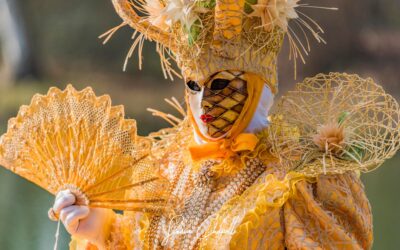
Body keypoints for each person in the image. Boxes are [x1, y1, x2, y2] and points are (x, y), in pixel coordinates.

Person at [52, 0, 376, 249]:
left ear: (257, 85)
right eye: (194, 86)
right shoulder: (165, 169)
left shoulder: (302, 181)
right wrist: (102, 229)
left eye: (222, 85)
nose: (205, 102)